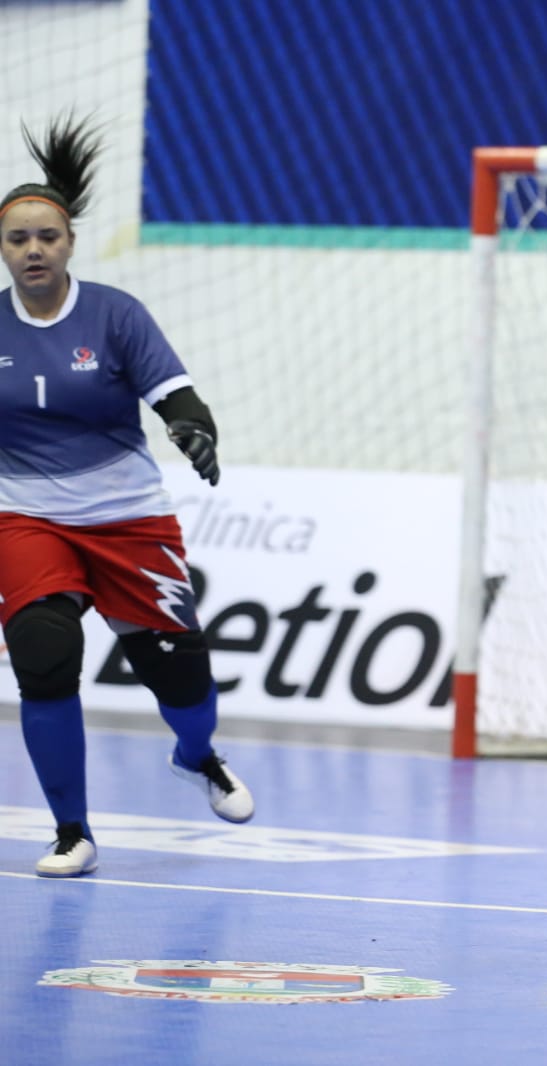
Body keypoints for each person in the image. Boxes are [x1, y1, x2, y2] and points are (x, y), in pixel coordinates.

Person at [0, 113, 253, 879]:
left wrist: (193, 432)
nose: (33, 249)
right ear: (4, 250)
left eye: (47, 235)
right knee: (44, 658)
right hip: (27, 515)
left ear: (70, 241)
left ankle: (198, 755)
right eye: (18, 239)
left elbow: (175, 393)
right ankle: (72, 830)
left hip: (127, 516)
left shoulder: (114, 314)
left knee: (179, 678)